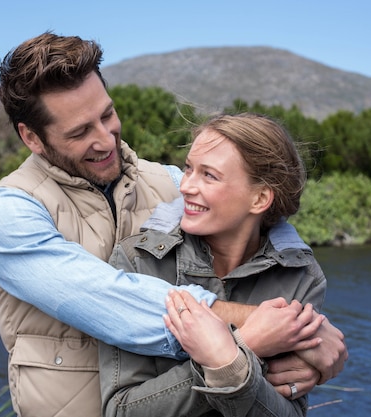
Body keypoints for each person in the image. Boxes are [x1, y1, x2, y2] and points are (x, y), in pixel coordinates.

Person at [0, 32, 347, 417]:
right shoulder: (8, 212)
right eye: (80, 132)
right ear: (31, 137)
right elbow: (114, 302)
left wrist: (313, 334)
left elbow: (263, 217)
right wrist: (279, 330)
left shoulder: (173, 184)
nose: (106, 140)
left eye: (106, 115)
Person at [100, 113, 343, 416]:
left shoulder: (301, 276)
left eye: (209, 175)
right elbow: (121, 411)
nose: (186, 186)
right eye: (188, 169)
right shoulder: (137, 260)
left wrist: (228, 361)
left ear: (259, 199)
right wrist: (240, 349)